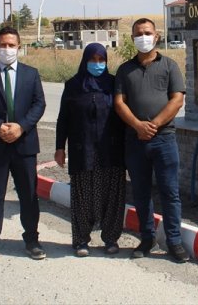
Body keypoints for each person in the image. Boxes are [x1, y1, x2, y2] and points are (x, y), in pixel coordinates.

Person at [113, 18, 190, 263]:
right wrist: (138, 126)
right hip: (135, 141)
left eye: (147, 32)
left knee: (170, 192)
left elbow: (177, 100)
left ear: (156, 36)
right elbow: (119, 103)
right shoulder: (125, 70)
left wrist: (154, 125)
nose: (143, 37)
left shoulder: (169, 66)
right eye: (138, 34)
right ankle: (147, 238)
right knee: (141, 192)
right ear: (133, 38)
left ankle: (174, 241)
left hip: (164, 139)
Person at [0, 26, 47, 266]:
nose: (7, 49)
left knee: (28, 195)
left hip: (24, 145)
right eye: (2, 45)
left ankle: (32, 240)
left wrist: (21, 127)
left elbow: (39, 104)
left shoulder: (31, 74)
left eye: (11, 45)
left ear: (19, 48)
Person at [54, 42, 126, 257]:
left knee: (112, 195)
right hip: (82, 149)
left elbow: (123, 118)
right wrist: (60, 147)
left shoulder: (114, 84)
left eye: (101, 60)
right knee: (82, 195)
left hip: (111, 150)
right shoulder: (73, 85)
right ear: (85, 60)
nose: (97, 64)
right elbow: (63, 119)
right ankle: (81, 240)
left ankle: (111, 238)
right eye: (93, 60)